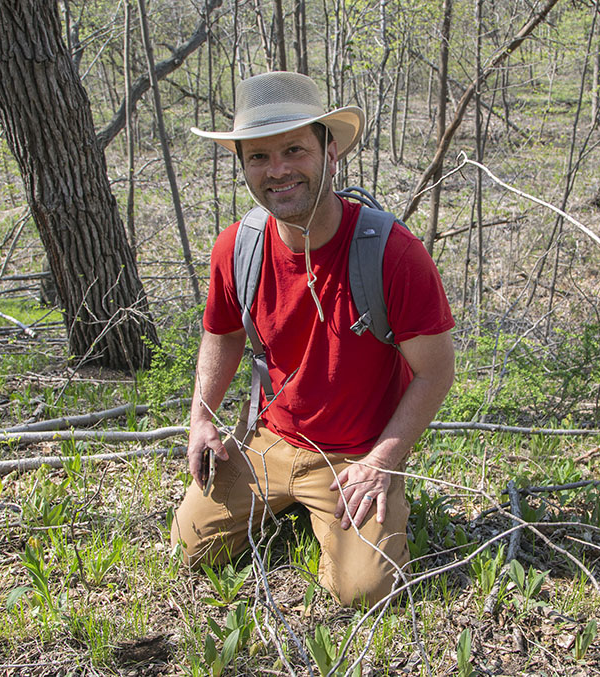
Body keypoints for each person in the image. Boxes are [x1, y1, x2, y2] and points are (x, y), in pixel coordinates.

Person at [170, 71, 455, 607]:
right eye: (258, 156)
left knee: (365, 592)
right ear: (243, 165)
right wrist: (202, 418)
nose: (277, 171)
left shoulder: (391, 252)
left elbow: (436, 370)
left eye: (294, 150)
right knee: (191, 550)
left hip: (356, 454)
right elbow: (222, 333)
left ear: (330, 153)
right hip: (271, 440)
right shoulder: (237, 247)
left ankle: (360, 511)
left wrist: (383, 460)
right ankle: (294, 505)